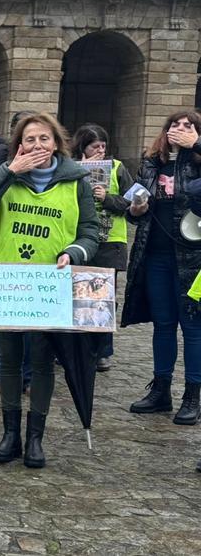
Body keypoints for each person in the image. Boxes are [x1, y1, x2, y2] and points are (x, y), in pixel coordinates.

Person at [0, 112, 99, 468]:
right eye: (29, 140)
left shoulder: (77, 182)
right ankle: (10, 433)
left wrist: (74, 252)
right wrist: (9, 170)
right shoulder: (7, 177)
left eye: (44, 139)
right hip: (7, 281)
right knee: (9, 360)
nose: (37, 146)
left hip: (49, 284)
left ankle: (35, 438)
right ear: (19, 145)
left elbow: (90, 231)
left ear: (57, 143)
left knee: (42, 361)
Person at [123, 111, 201, 425]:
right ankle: (161, 390)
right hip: (154, 254)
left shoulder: (197, 161)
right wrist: (136, 209)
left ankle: (193, 396)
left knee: (194, 328)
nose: (179, 129)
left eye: (188, 126)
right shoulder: (151, 163)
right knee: (163, 324)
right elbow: (135, 212)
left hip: (193, 259)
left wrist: (198, 145)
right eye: (175, 125)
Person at [72, 124, 133, 372]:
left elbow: (133, 200)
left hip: (110, 241)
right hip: (79, 239)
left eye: (103, 146)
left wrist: (107, 198)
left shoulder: (117, 167)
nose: (100, 150)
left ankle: (103, 351)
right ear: (83, 147)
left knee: (102, 296)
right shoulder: (71, 168)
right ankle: (77, 346)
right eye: (94, 146)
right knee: (78, 293)